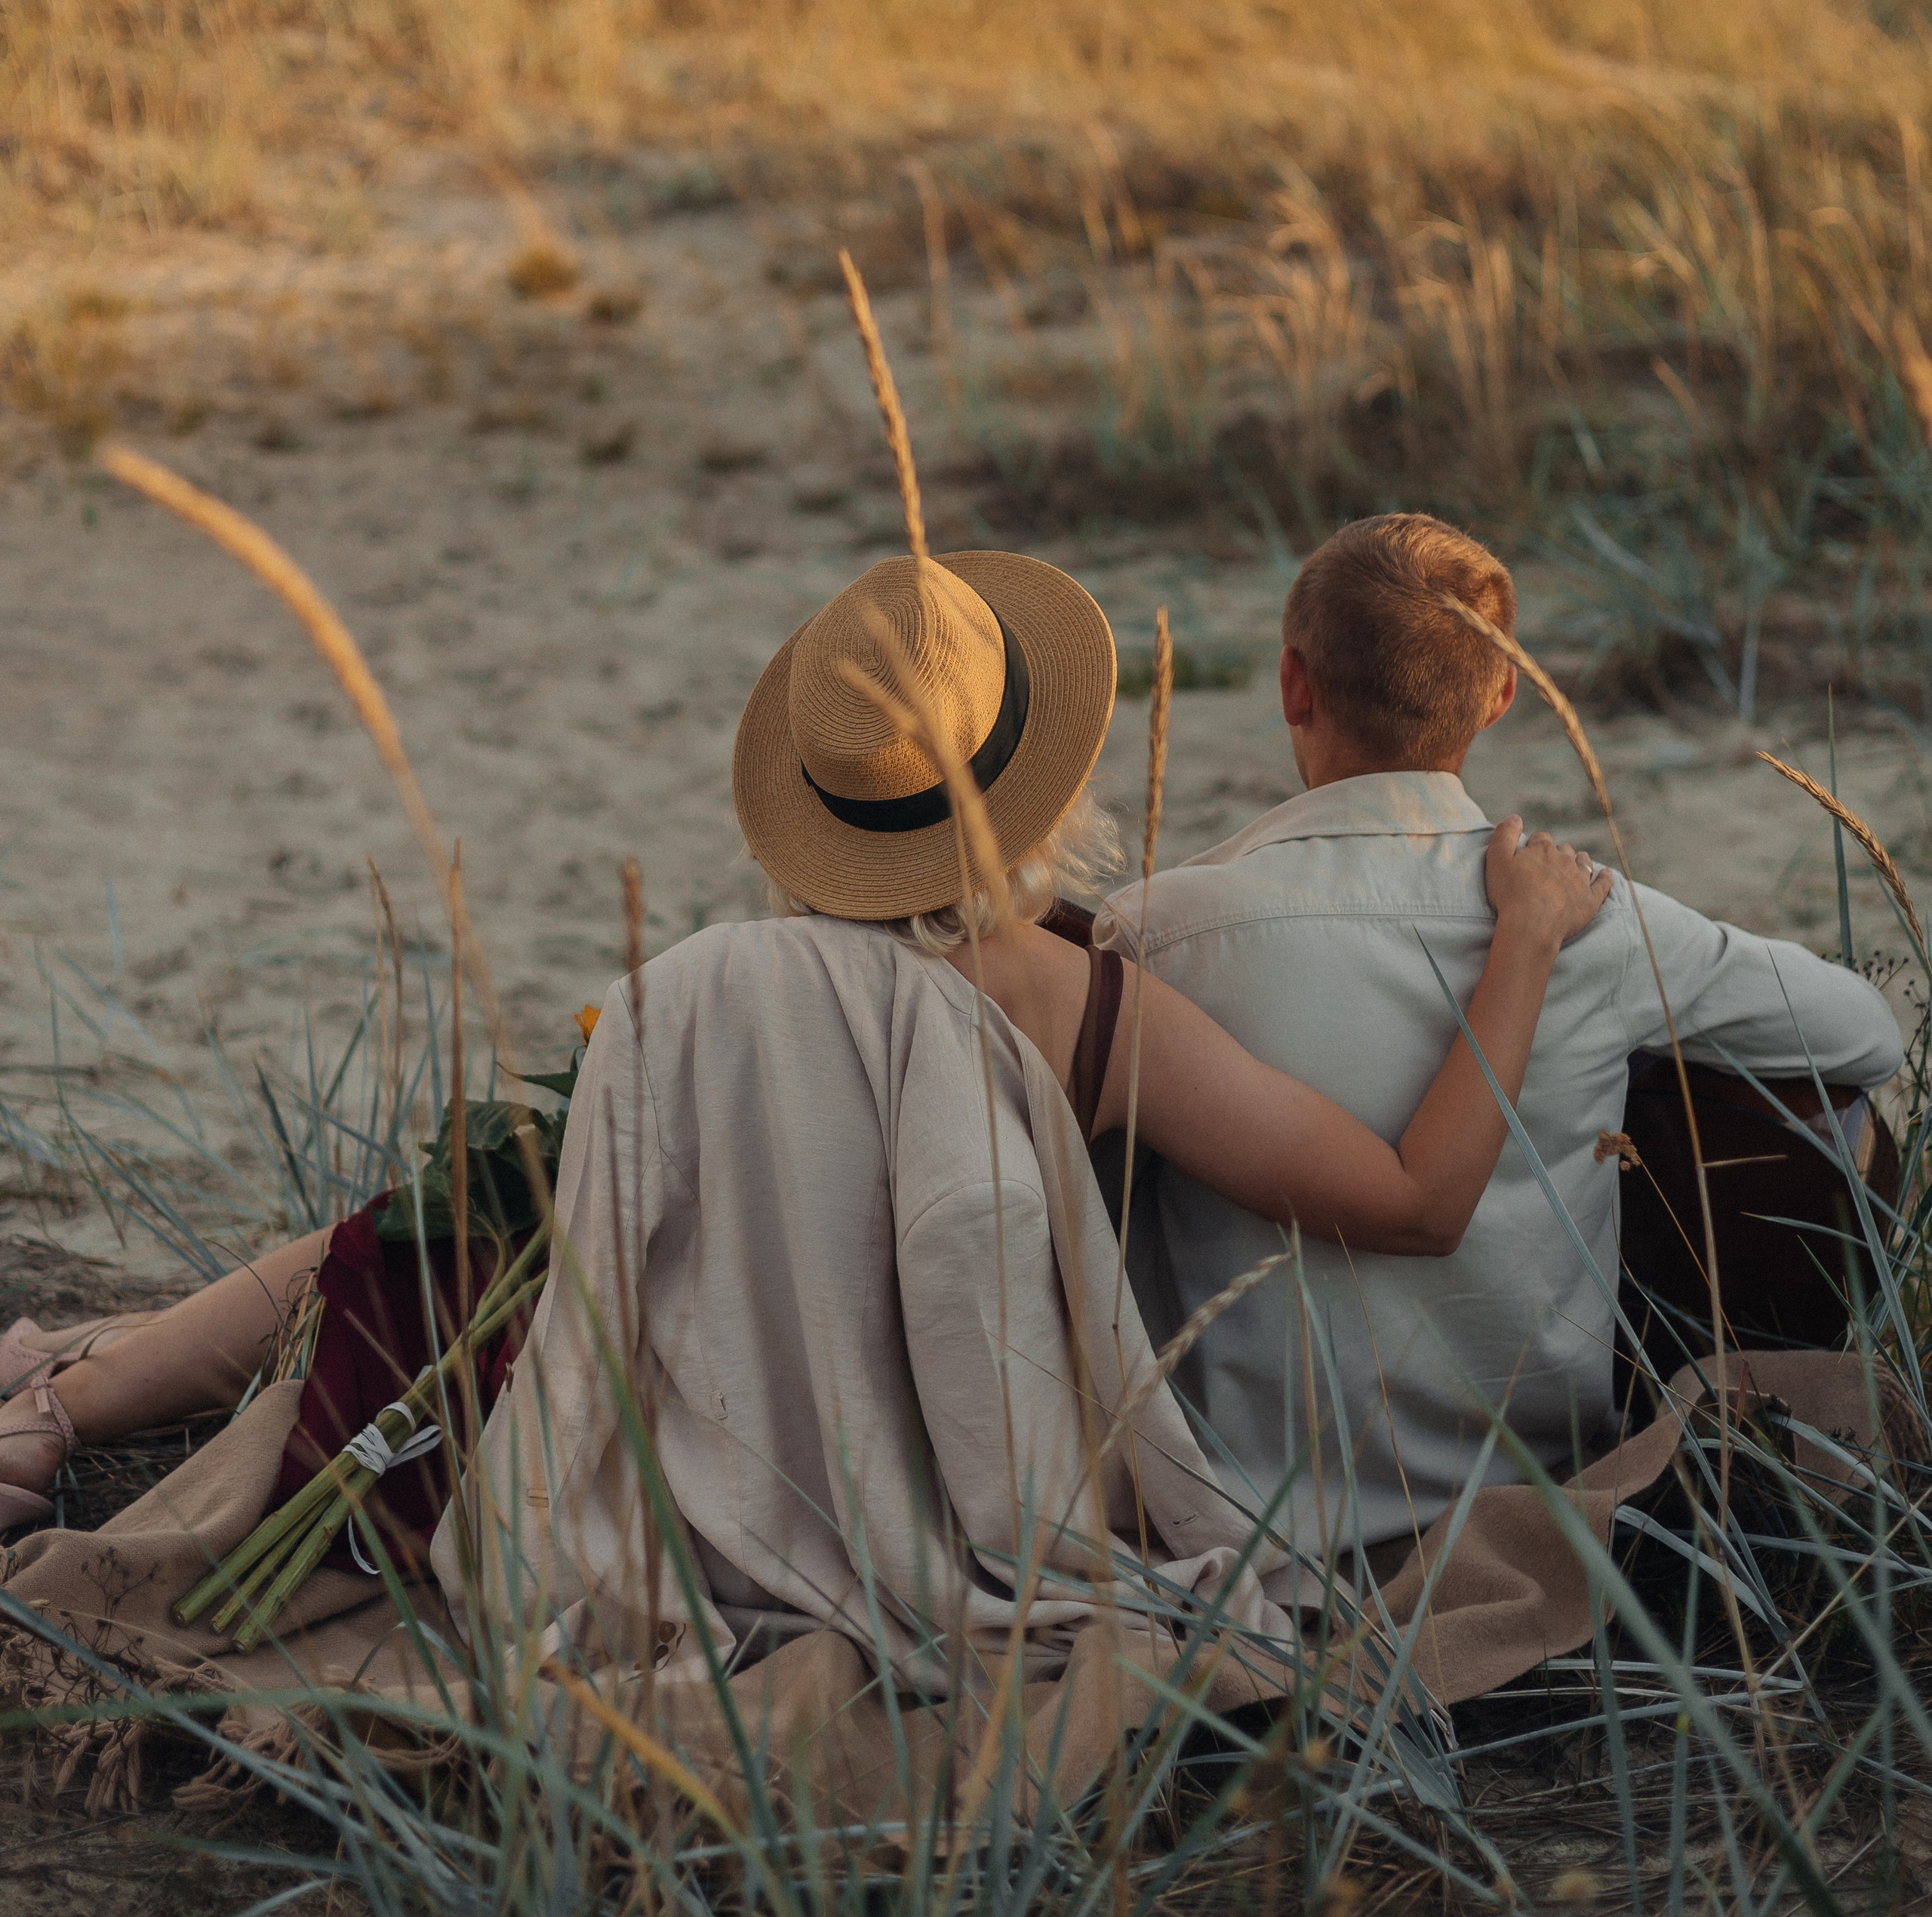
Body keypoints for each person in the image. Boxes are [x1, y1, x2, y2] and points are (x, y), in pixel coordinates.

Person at [0, 550, 1607, 1580]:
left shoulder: (719, 985)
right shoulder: (1071, 999)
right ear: (1034, 764)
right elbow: (1409, 1200)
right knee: (466, 1213)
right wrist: (1522, 940)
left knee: (456, 1216)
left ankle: (65, 1392)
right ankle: (65, 1384)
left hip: (567, 1397)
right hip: (852, 1466)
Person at [1093, 512, 1905, 1567]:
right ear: (1501, 693)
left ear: (1294, 684)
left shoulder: (1156, 930)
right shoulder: (1594, 917)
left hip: (1255, 1531)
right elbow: (1864, 1035)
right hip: (1537, 1504)